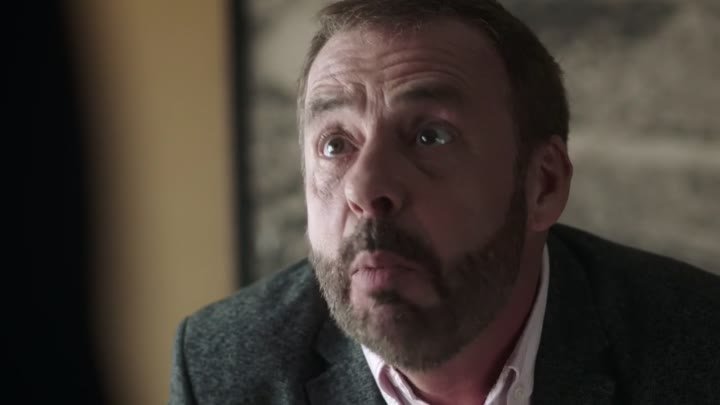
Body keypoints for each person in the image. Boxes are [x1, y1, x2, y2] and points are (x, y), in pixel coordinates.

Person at [169, 1, 720, 404]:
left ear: (544, 184)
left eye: (430, 136)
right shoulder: (224, 369)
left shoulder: (699, 349)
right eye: (335, 145)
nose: (365, 188)